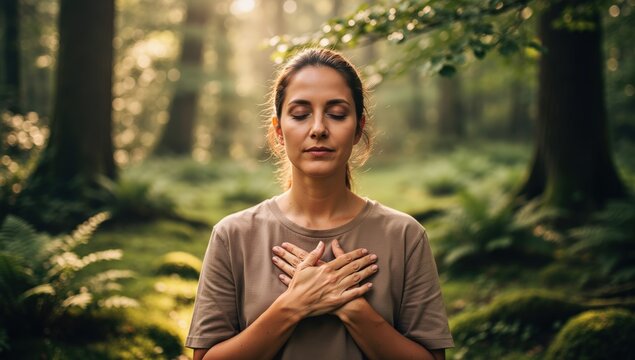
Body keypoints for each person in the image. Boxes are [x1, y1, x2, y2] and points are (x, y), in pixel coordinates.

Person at [186, 48, 453, 360]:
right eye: (300, 115)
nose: (318, 129)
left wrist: (352, 307)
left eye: (337, 114)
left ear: (358, 128)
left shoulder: (405, 235)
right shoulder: (233, 235)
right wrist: (294, 305)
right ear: (278, 130)